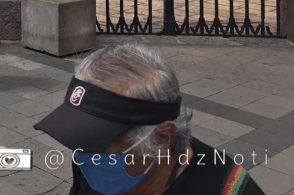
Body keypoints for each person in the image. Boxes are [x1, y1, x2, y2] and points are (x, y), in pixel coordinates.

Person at [34, 43, 264, 195]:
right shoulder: (88, 163)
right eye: (79, 141)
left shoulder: (227, 188)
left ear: (162, 137)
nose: (85, 157)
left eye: (100, 144)